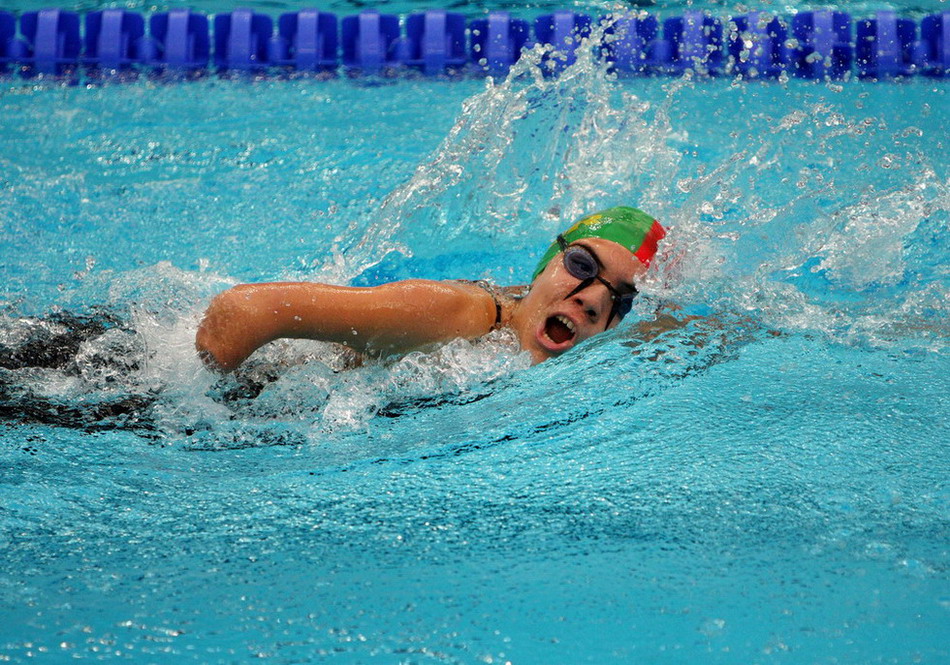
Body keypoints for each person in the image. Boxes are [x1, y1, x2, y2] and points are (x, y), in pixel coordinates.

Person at [195, 206, 667, 371]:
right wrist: (208, 408)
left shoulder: (541, 331)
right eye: (582, 264)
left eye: (620, 298)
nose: (592, 299)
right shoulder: (454, 313)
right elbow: (244, 310)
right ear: (544, 267)